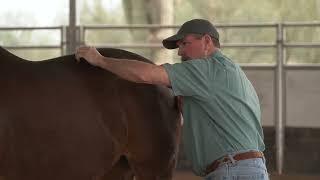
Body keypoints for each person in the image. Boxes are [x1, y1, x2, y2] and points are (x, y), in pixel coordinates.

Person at [75, 19, 269, 180]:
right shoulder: (232, 73)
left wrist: (100, 60)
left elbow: (146, 75)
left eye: (185, 43)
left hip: (232, 171)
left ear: (207, 41)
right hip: (248, 169)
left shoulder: (206, 69)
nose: (180, 52)